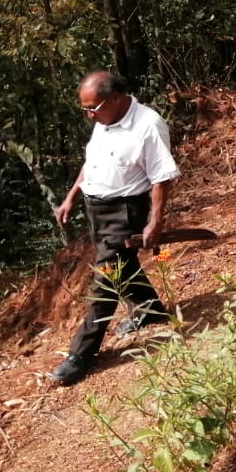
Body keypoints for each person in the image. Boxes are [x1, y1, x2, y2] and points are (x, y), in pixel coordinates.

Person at [47, 71, 179, 386]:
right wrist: (70, 198)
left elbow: (162, 176)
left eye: (93, 107)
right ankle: (149, 312)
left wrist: (155, 221)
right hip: (98, 210)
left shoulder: (148, 125)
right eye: (85, 110)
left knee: (106, 280)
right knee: (122, 263)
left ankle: (81, 354)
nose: (90, 115)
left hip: (125, 211)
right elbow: (92, 162)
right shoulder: (104, 120)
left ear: (117, 98)